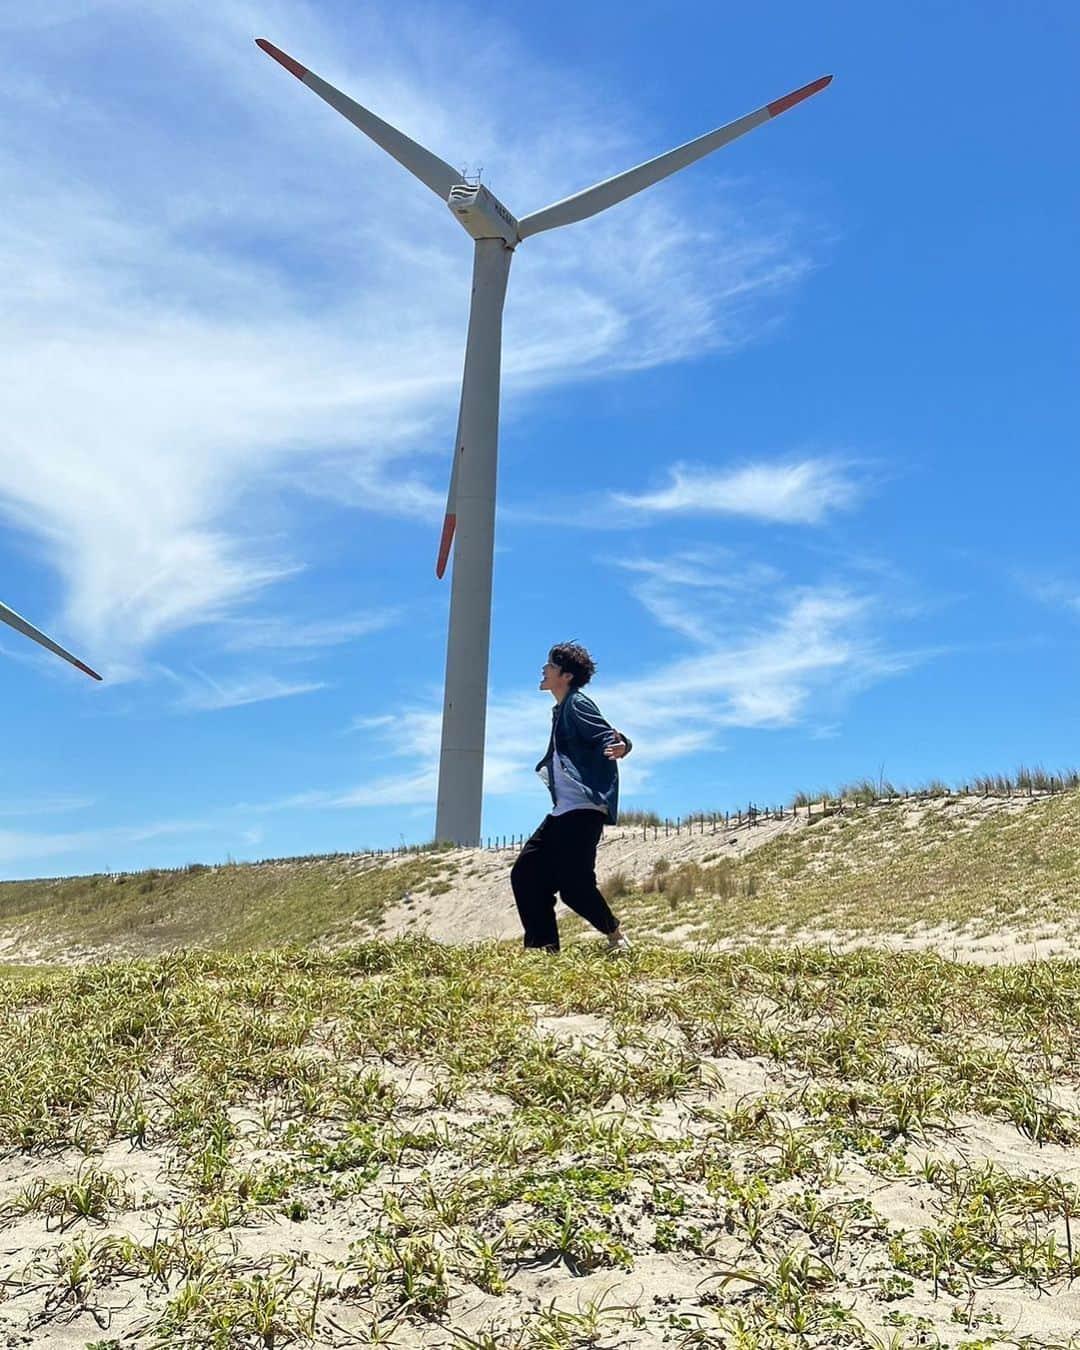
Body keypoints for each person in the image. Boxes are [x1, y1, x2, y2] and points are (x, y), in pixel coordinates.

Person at [510, 641, 633, 955]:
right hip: (564, 811)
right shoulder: (561, 709)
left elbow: (607, 734)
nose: (544, 669)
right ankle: (543, 951)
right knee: (527, 873)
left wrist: (623, 745)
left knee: (575, 888)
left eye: (550, 666)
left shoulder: (577, 704)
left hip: (584, 809)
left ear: (564, 675)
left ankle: (617, 938)